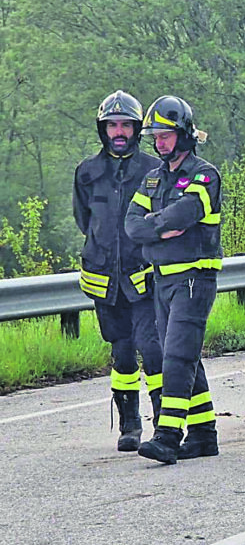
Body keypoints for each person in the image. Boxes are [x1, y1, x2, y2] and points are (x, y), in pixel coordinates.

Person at [124, 96, 222, 464]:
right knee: (178, 353)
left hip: (194, 277)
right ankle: (203, 434)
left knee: (178, 354)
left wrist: (158, 224)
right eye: (156, 135)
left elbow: (184, 214)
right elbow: (132, 224)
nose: (159, 142)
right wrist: (157, 229)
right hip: (162, 279)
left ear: (183, 135)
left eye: (166, 135)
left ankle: (168, 434)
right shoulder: (153, 177)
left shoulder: (204, 174)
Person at [73, 91, 163, 452]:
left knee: (151, 349)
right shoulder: (87, 172)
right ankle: (129, 424)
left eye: (126, 125)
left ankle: (165, 423)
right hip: (104, 281)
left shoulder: (152, 170)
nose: (119, 132)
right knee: (122, 353)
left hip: (143, 278)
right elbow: (85, 222)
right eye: (113, 126)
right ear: (103, 130)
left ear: (137, 129)